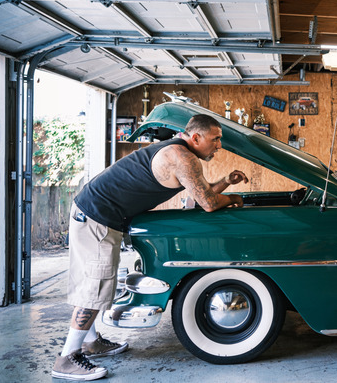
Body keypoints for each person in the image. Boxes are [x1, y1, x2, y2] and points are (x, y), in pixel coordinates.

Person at [52, 114, 248, 381]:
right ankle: (66, 359)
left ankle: (90, 343)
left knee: (95, 284)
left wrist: (226, 181)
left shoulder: (179, 152)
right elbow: (209, 203)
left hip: (93, 213)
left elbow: (203, 192)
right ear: (196, 137)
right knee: (94, 287)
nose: (219, 146)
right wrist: (234, 198)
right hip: (97, 217)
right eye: (215, 139)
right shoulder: (182, 157)